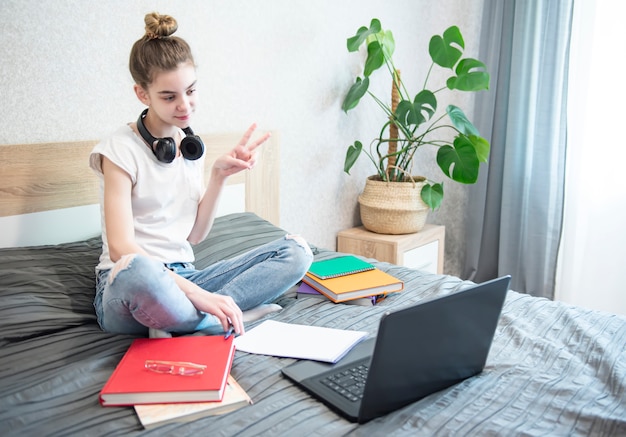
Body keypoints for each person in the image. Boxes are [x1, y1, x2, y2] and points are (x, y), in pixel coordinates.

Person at [89, 12, 313, 338]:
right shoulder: (118, 149)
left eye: (191, 91)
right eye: (169, 96)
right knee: (141, 271)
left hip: (184, 276)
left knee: (296, 252)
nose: (185, 105)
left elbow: (194, 236)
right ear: (142, 94)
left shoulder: (190, 147)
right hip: (130, 282)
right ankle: (220, 318)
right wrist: (200, 296)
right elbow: (122, 248)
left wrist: (219, 177)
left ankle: (190, 319)